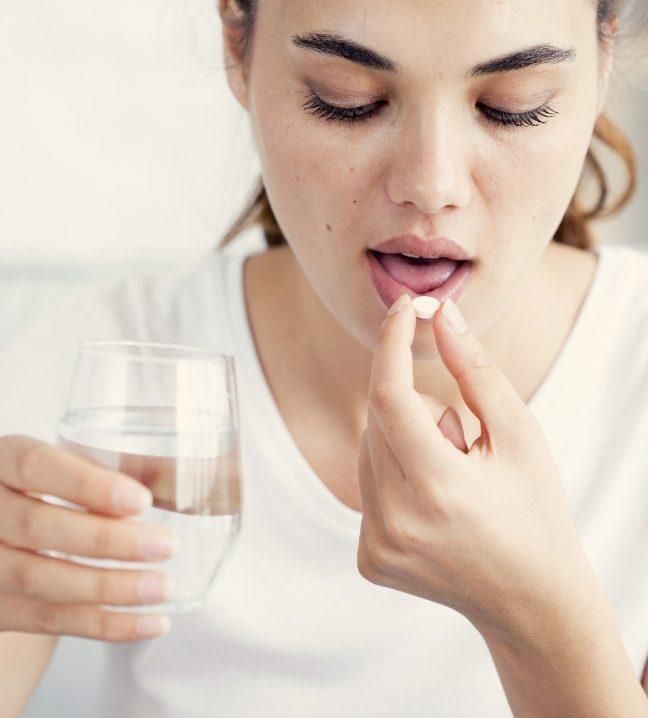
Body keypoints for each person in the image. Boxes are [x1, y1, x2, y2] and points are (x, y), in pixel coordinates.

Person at [1, 0, 648, 715]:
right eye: (348, 100)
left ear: (604, 55)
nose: (431, 187)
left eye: (511, 107)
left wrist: (539, 616)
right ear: (236, 46)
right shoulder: (106, 377)